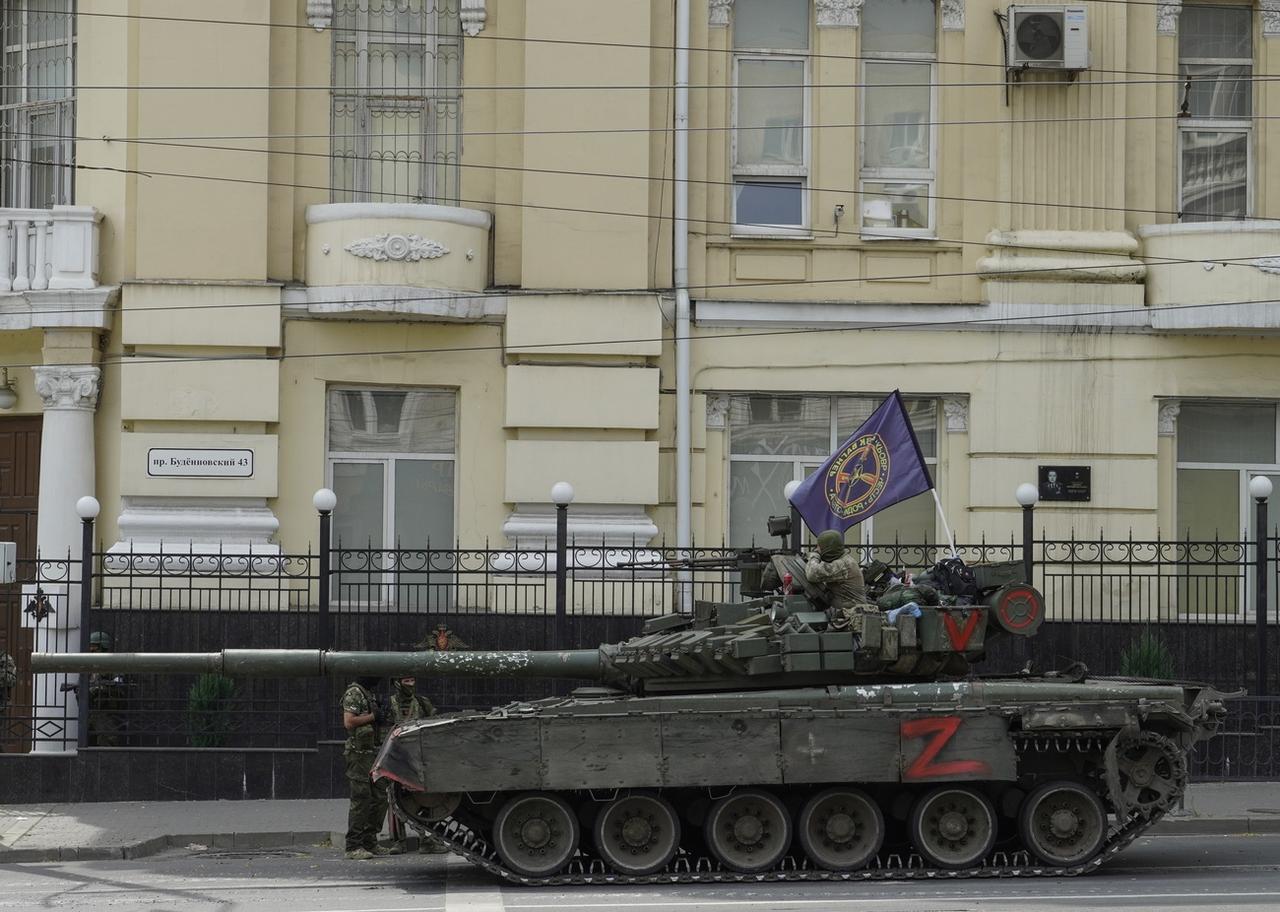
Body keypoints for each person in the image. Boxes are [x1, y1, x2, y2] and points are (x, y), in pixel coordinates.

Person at [383, 675, 450, 855]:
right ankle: (399, 841)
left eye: (412, 680)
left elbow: (434, 725)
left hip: (418, 759)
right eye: (406, 681)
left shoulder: (421, 702)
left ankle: (427, 840)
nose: (410, 684)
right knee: (394, 800)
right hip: (395, 759)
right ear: (397, 683)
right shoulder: (388, 704)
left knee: (425, 801)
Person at [341, 675, 389, 860]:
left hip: (373, 753)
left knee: (379, 797)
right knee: (361, 798)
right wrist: (373, 716)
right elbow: (349, 722)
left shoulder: (369, 694)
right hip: (359, 754)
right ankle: (353, 846)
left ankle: (370, 841)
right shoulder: (354, 693)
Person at [804, 530, 868, 611]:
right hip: (846, 610)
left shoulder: (844, 564)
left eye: (819, 547)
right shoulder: (843, 559)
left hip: (852, 613)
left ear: (828, 548)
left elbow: (812, 574)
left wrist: (814, 556)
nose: (817, 550)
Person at [86, 632, 127, 746]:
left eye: (95, 649)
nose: (92, 652)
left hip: (107, 712)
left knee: (106, 742)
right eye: (91, 649)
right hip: (91, 711)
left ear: (103, 648)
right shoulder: (89, 665)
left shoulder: (112, 664)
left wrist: (102, 688)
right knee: (88, 743)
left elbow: (119, 683)